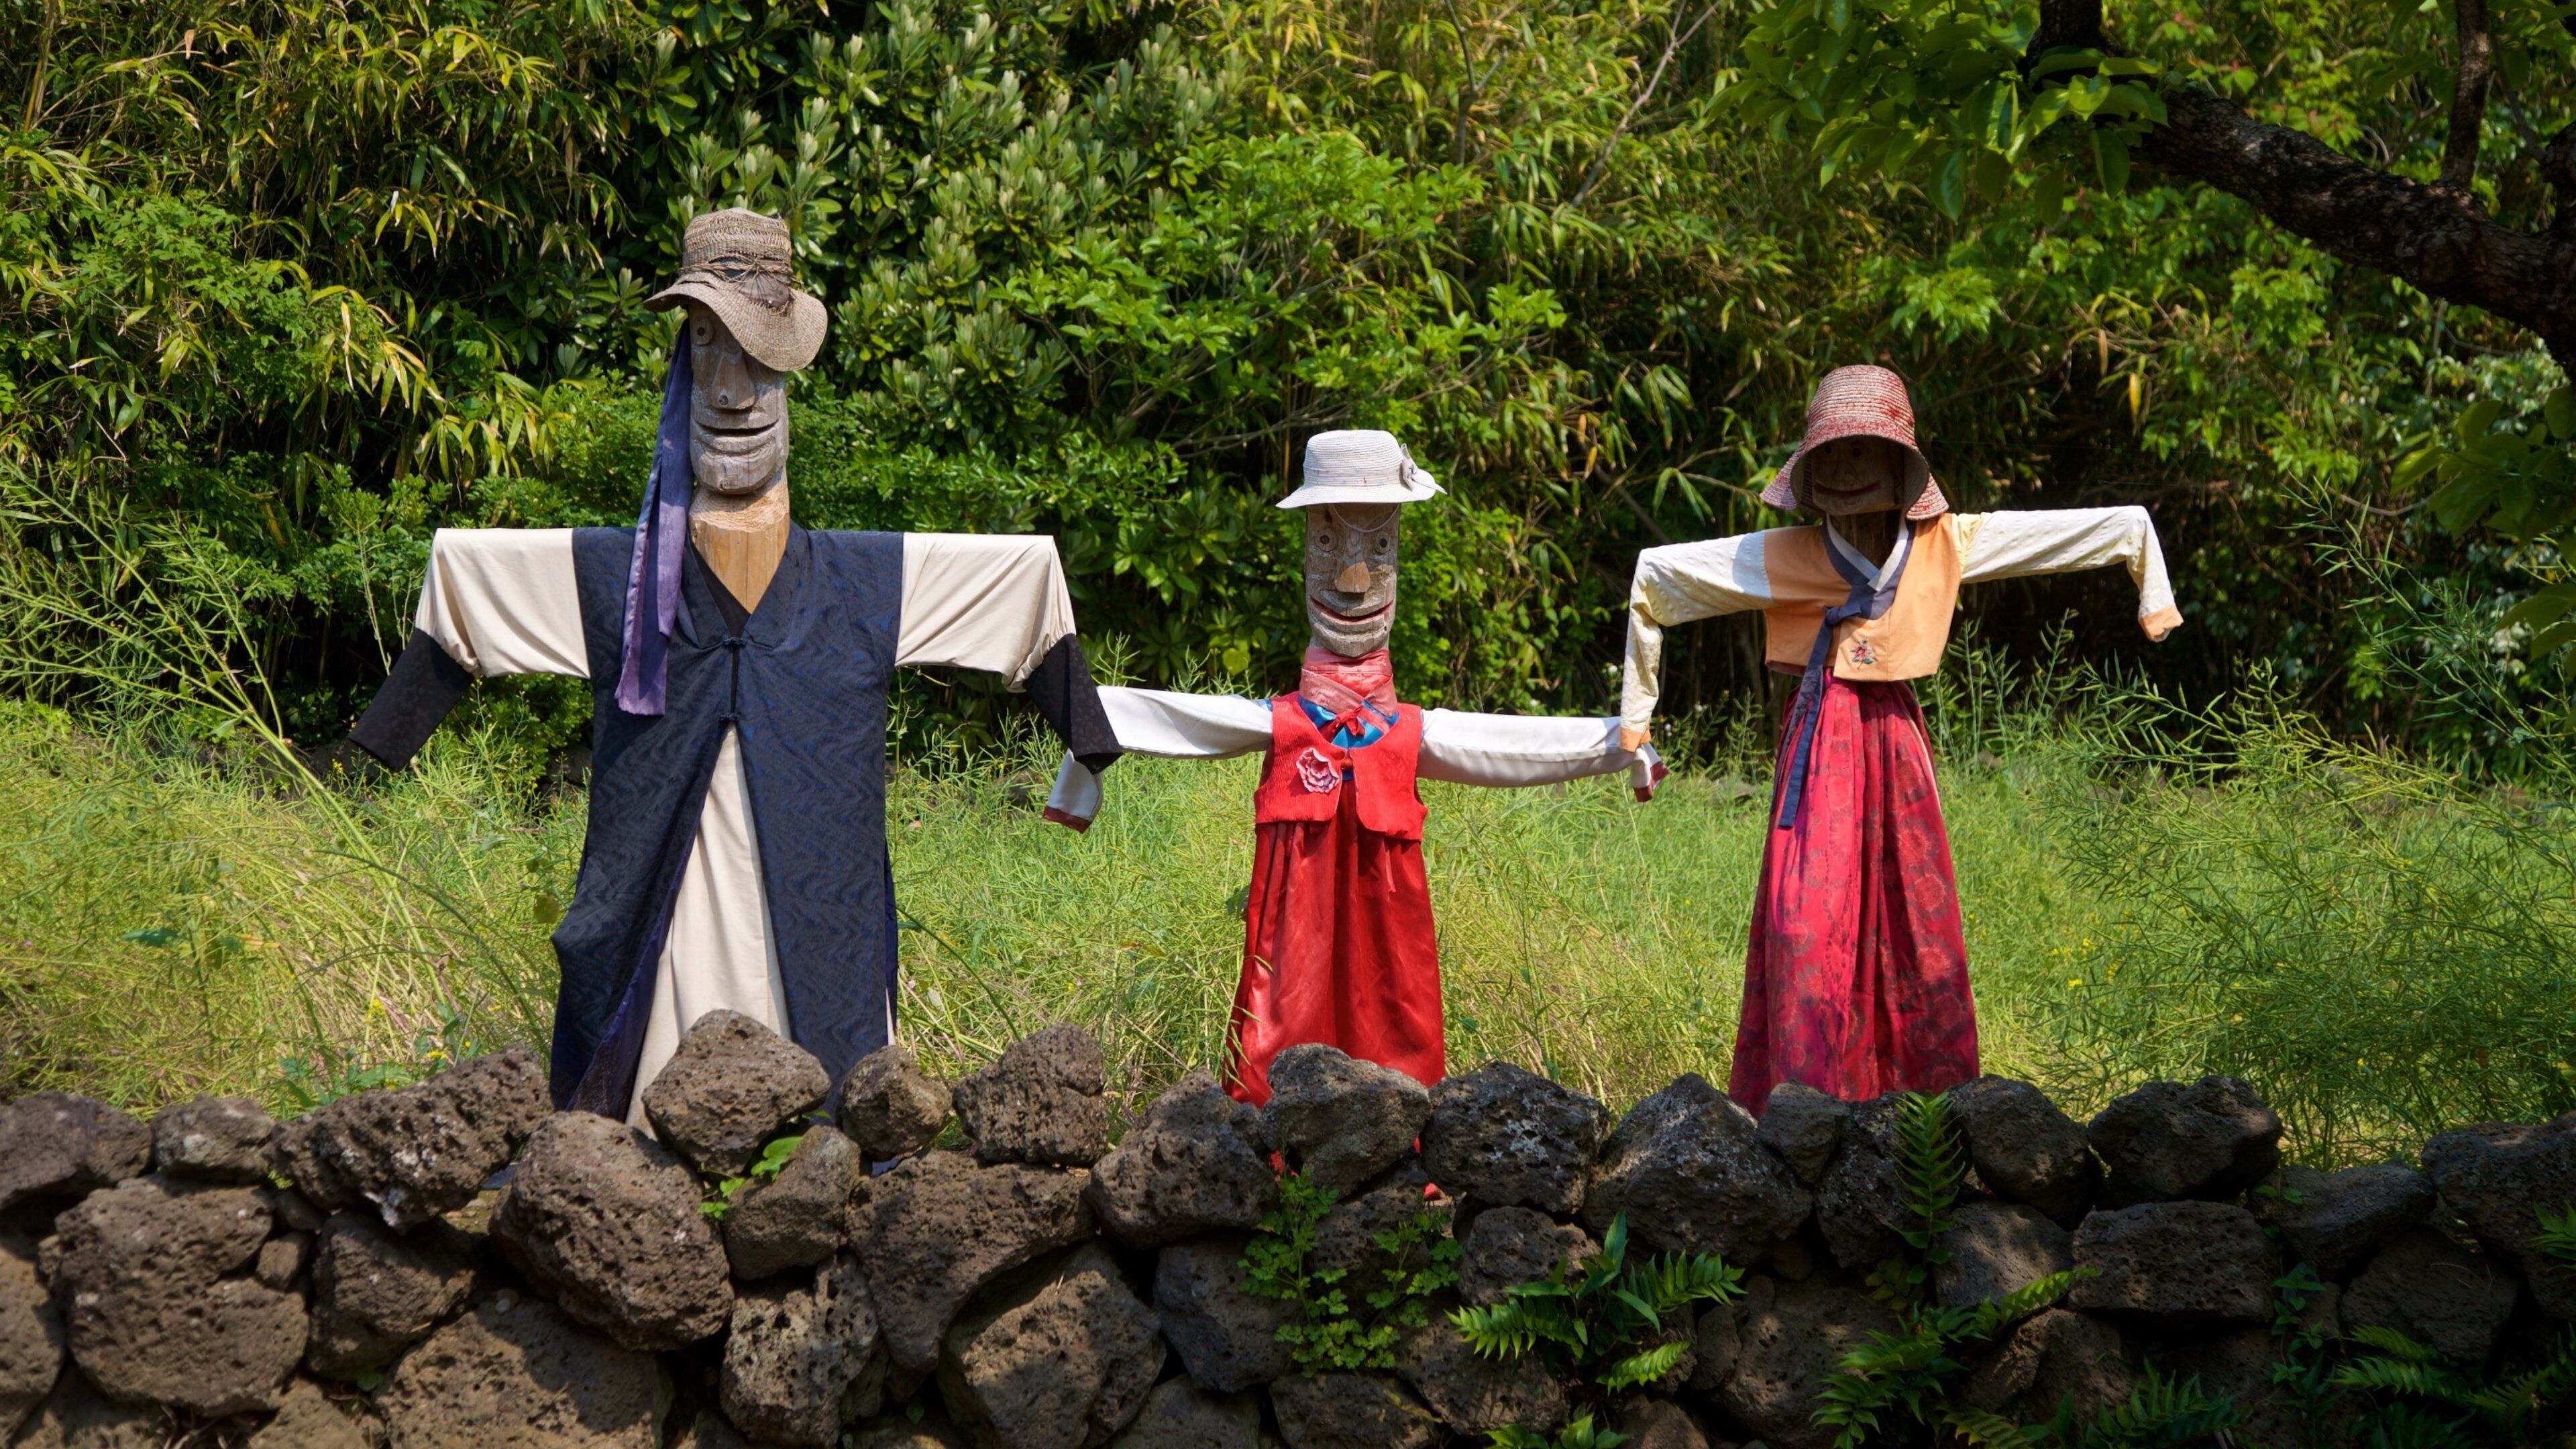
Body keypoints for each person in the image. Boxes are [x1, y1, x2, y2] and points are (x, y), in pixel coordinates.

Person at [345, 209, 1119, 1121]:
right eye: (709, 351)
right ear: (682, 367)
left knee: (821, 1131)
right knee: (644, 1134)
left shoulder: (860, 581)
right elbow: (468, 582)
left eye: (756, 360)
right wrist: (376, 744)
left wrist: (1086, 746)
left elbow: (1023, 586)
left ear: (789, 377)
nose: (732, 392)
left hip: (817, 936)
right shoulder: (621, 581)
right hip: (653, 945)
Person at [1617, 365, 2182, 1112]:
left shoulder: (1947, 544)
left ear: (1900, 466)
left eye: (1866, 451)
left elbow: (2088, 530)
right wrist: (1636, 723)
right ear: (1812, 470)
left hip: (1895, 744)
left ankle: (1923, 1116)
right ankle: (1803, 1107)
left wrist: (2151, 582)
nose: (1850, 468)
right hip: (1820, 747)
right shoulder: (1779, 555)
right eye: (1836, 453)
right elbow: (1657, 578)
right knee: (1806, 924)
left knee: (1913, 922)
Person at [1044, 430, 1662, 1102]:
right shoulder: (1282, 725)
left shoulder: (1407, 733)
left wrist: (1620, 742)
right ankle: (1271, 1149)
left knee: (1396, 1017)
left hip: (1390, 939)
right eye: (1328, 546)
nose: (1353, 579)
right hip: (1290, 944)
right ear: (1303, 554)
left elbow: (1504, 745)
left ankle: (1395, 1143)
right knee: (1278, 1014)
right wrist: (1086, 732)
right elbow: (1169, 718)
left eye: (1380, 549)